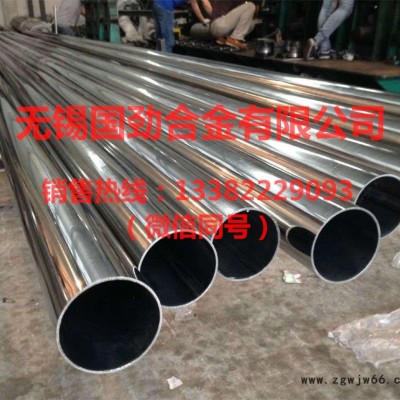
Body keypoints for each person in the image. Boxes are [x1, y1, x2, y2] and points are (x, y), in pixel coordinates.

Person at [191, 0, 257, 49]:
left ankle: (224, 38)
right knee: (250, 6)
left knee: (251, 24)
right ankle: (235, 39)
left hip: (218, 26)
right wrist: (204, 20)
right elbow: (204, 4)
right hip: (218, 24)